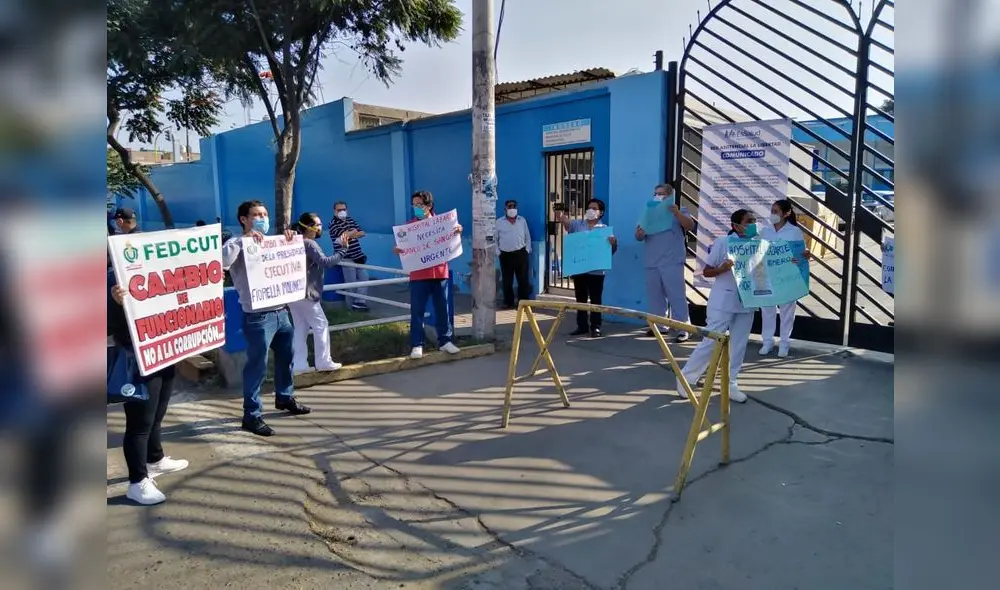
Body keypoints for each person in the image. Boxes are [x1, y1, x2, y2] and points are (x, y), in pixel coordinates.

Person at [222, 200, 311, 437]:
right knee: (257, 366)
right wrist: (245, 239)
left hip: (282, 312)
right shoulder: (236, 242)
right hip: (258, 316)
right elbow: (222, 263)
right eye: (256, 215)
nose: (262, 218)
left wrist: (290, 238)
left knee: (286, 358)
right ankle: (251, 414)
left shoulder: (273, 243)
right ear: (244, 219)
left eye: (264, 214)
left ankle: (285, 396)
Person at [109, 252, 188, 505]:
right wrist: (114, 303)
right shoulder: (112, 280)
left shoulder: (162, 274)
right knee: (140, 424)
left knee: (157, 414)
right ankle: (137, 482)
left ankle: (155, 459)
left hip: (165, 351)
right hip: (138, 359)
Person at [674, 209, 761, 404]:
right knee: (711, 341)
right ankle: (687, 378)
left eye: (754, 221)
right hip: (723, 301)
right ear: (735, 225)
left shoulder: (758, 244)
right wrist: (722, 269)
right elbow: (707, 271)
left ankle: (730, 384)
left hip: (747, 301)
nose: (752, 225)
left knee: (738, 345)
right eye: (748, 221)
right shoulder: (723, 243)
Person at [394, 190, 462, 359]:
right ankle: (417, 345)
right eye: (414, 205)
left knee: (443, 309)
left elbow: (451, 240)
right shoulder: (409, 227)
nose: (416, 207)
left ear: (429, 206)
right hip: (419, 274)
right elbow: (403, 247)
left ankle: (445, 341)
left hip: (440, 272)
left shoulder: (443, 224)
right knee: (417, 310)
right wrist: (398, 250)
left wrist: (457, 231)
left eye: (419, 204)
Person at [290, 212, 350, 374]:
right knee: (321, 325)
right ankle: (323, 361)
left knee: (300, 328)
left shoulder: (295, 241)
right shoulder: (310, 244)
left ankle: (299, 364)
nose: (320, 228)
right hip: (308, 293)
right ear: (308, 227)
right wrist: (343, 250)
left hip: (294, 293)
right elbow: (325, 262)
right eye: (317, 224)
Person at [635, 184, 696, 342]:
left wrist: (676, 213)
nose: (657, 196)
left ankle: (683, 327)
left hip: (672, 261)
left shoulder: (678, 210)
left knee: (676, 295)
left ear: (669, 196)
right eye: (655, 193)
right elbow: (638, 236)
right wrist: (640, 233)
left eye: (661, 194)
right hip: (652, 260)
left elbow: (689, 226)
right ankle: (660, 325)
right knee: (655, 296)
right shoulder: (648, 212)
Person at [557, 198, 618, 338]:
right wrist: (561, 216)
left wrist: (613, 243)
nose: (591, 210)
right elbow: (566, 225)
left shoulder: (604, 229)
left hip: (596, 271)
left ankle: (595, 327)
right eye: (589, 207)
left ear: (601, 212)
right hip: (580, 269)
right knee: (581, 299)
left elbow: (611, 250)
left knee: (596, 300)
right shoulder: (578, 224)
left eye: (595, 208)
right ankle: (582, 326)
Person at [759, 199, 811, 357]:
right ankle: (767, 341)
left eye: (776, 211)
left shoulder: (794, 231)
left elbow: (801, 252)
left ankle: (784, 343)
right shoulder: (765, 231)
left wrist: (804, 255)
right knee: (767, 310)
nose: (772, 214)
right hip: (768, 276)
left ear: (786, 213)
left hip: (788, 277)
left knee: (787, 311)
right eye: (772, 210)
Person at [328, 200, 370, 311]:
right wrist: (353, 232)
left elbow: (363, 233)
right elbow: (342, 236)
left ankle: (359, 302)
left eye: (344, 209)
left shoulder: (351, 220)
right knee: (351, 283)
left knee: (364, 278)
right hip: (345, 257)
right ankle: (350, 307)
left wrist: (351, 234)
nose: (342, 212)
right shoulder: (333, 223)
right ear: (334, 211)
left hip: (358, 256)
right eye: (339, 210)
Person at [495, 198, 532, 309]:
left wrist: (527, 250)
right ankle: (508, 302)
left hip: (521, 254)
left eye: (514, 206)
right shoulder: (499, 222)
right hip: (505, 255)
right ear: (505, 209)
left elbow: (527, 237)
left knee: (523, 280)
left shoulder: (522, 220)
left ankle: (523, 303)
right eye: (509, 206)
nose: (512, 208)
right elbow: (494, 239)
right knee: (507, 281)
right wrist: (498, 252)